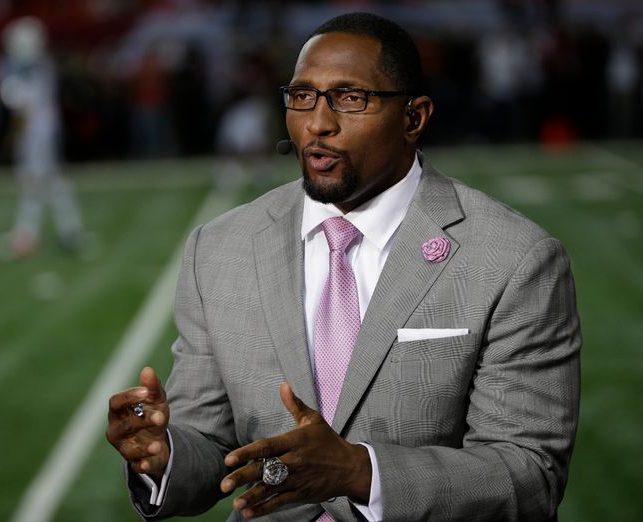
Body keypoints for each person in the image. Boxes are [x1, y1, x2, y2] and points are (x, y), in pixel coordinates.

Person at [107, 12, 581, 521]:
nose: (317, 123)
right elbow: (210, 441)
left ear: (414, 118)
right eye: (302, 96)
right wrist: (162, 456)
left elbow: (530, 475)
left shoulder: (515, 259)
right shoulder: (220, 248)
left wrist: (362, 473)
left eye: (351, 98)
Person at [0, 16, 84, 257]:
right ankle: (68, 229)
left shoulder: (24, 68)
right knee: (52, 181)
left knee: (35, 184)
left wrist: (14, 137)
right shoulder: (42, 65)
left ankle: (28, 235)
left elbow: (21, 109)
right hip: (45, 130)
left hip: (35, 134)